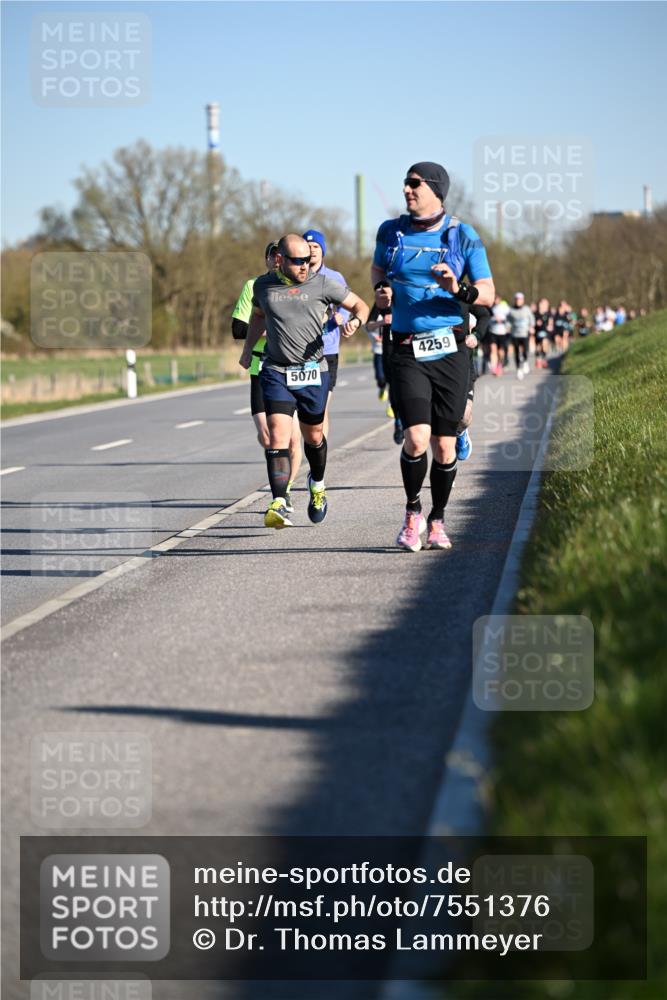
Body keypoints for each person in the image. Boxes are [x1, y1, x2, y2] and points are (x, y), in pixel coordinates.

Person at [372, 161, 494, 552]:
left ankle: (438, 520)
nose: (407, 190)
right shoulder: (390, 232)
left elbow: (488, 293)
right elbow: (377, 269)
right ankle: (412, 516)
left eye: (414, 184)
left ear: (436, 189)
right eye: (405, 184)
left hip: (451, 349)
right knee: (416, 437)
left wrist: (456, 288)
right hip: (407, 348)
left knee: (444, 446)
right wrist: (381, 293)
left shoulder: (463, 235)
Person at [239, 234, 369, 529]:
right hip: (276, 370)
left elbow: (361, 305)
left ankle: (318, 485)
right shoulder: (263, 285)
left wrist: (356, 321)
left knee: (313, 437)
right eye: (297, 261)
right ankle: (279, 501)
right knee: (277, 435)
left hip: (313, 371)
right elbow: (258, 316)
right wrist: (248, 349)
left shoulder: (322, 284)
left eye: (308, 261)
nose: (305, 266)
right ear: (280, 260)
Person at [231, 242, 302, 512]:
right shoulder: (254, 286)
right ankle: (281, 484)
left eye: (280, 256)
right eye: (271, 255)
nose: (275, 260)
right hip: (261, 368)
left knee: (293, 438)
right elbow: (239, 328)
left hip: (292, 368)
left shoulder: (298, 286)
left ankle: (285, 491)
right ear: (266, 259)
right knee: (267, 437)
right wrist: (272, 330)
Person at [302, 229, 349, 439]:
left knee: (320, 410)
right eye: (308, 247)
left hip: (327, 350)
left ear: (322, 251)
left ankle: (318, 461)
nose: (312, 251)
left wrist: (344, 319)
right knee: (303, 412)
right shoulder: (294, 277)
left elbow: (348, 304)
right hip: (299, 352)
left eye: (316, 247)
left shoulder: (334, 277)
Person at [366, 280, 403, 444]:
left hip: (408, 352)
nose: (385, 293)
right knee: (391, 385)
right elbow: (369, 325)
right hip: (387, 352)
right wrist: (383, 321)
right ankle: (398, 421)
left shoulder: (407, 299)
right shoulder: (381, 304)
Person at [456, 303, 492, 460]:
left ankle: (461, 432)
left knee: (464, 416)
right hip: (433, 366)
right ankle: (445, 469)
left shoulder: (462, 295)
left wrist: (476, 335)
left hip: (463, 365)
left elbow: (484, 315)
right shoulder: (422, 293)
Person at [506, 292, 534, 380]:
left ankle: (525, 361)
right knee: (516, 352)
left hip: (524, 333)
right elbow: (508, 320)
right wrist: (508, 327)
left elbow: (532, 319)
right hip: (515, 334)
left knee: (525, 350)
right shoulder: (511, 310)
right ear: (515, 300)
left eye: (520, 299)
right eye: (517, 299)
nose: (518, 301)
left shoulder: (527, 309)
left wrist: (531, 327)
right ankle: (518, 369)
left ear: (523, 300)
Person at [488, 295, 510, 376]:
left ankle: (499, 365)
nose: (495, 301)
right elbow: (488, 318)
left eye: (497, 299)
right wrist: (493, 319)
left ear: (500, 300)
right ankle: (493, 367)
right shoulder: (491, 307)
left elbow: (509, 318)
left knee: (500, 351)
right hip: (493, 332)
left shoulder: (504, 308)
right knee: (493, 349)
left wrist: (507, 325)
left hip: (502, 332)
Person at [533, 297, 553, 367]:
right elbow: (532, 323)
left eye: (546, 304)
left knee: (544, 343)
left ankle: (544, 359)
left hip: (545, 332)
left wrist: (550, 326)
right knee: (538, 347)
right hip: (537, 332)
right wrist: (535, 323)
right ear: (540, 304)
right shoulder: (535, 313)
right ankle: (538, 359)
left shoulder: (548, 314)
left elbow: (551, 322)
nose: (545, 305)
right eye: (543, 304)